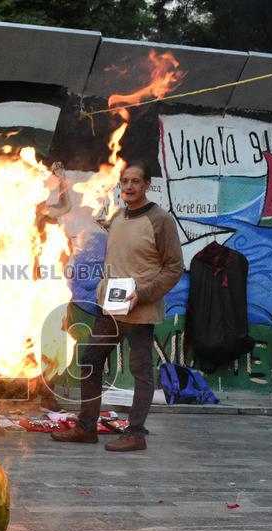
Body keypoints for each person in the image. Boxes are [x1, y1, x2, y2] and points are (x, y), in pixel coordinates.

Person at [52, 160, 183, 451]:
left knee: (141, 371)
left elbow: (174, 267)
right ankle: (86, 427)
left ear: (147, 185)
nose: (129, 186)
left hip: (140, 310)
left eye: (136, 181)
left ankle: (135, 433)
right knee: (90, 361)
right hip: (111, 309)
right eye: (125, 181)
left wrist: (143, 294)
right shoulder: (119, 217)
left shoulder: (160, 220)